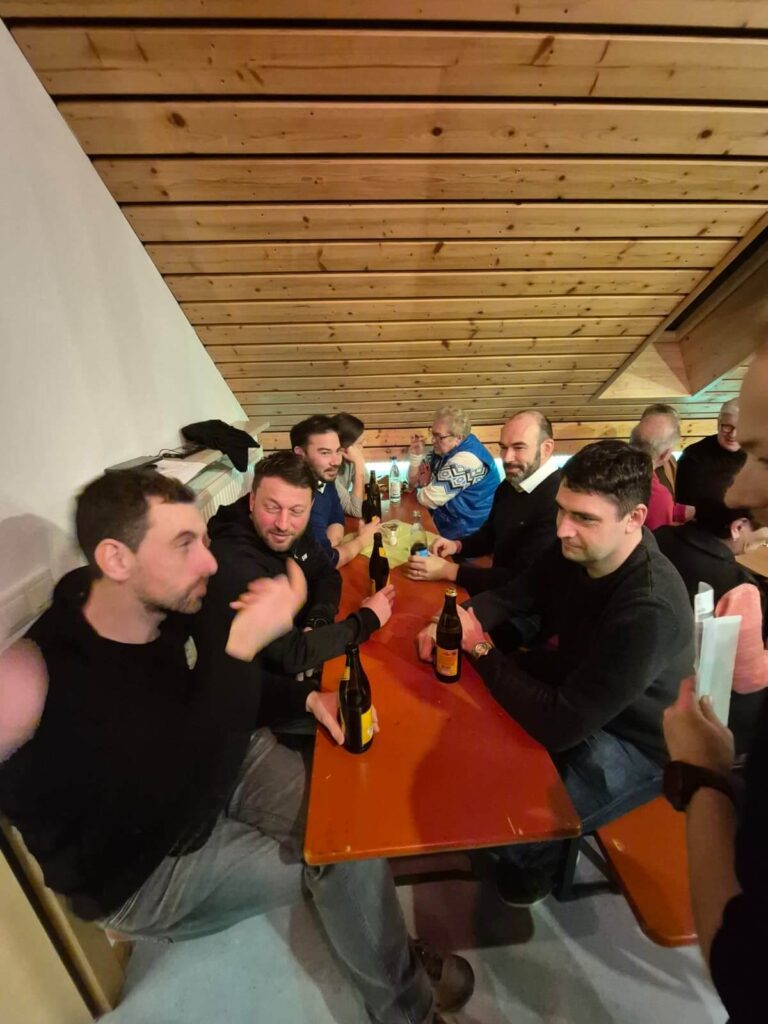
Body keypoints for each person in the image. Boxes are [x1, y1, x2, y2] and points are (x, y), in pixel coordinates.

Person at [0, 470, 472, 1024]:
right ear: (116, 559)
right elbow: (193, 817)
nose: (209, 562)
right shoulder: (39, 683)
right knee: (335, 861)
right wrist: (243, 649)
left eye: (204, 539)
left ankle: (387, 953)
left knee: (349, 830)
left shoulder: (152, 603)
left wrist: (303, 699)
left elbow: (212, 701)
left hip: (208, 757)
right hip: (144, 867)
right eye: (184, 545)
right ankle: (408, 1007)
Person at [417, 440, 694, 906]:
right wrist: (455, 619)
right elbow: (514, 594)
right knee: (471, 722)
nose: (563, 528)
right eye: (562, 510)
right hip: (579, 685)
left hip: (638, 740)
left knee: (514, 820)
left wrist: (479, 646)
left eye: (584, 518)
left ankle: (532, 867)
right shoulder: (574, 550)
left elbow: (560, 724)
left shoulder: (649, 607)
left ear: (635, 518)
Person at [663, 346, 768, 1024]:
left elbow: (742, 967)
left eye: (764, 457)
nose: (742, 490)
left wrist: (702, 777)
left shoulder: (670, 545)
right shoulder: (744, 584)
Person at [196, 451, 395, 731]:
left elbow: (326, 574)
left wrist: (318, 620)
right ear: (252, 500)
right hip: (257, 699)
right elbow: (291, 655)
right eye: (272, 507)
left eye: (296, 511)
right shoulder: (234, 562)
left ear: (310, 506)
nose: (283, 523)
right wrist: (367, 620)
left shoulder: (294, 529)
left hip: (298, 663)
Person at [405, 410, 560, 596]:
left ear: (547, 448)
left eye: (519, 447)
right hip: (500, 588)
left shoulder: (559, 501)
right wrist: (457, 546)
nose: (506, 458)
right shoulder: (510, 485)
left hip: (526, 603)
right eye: (503, 447)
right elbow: (490, 535)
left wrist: (449, 571)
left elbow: (522, 581)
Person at [656, 501, 768, 753]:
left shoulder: (661, 536)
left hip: (657, 673)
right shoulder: (739, 587)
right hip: (698, 702)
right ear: (738, 527)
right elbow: (748, 680)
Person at [290, 414, 378, 567]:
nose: (336, 461)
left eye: (338, 451)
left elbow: (336, 516)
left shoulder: (323, 477)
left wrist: (332, 545)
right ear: (300, 454)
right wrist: (362, 540)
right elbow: (325, 562)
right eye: (325, 453)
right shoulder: (300, 496)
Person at [407, 405, 498, 540]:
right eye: (432, 433)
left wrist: (425, 485)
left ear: (459, 438)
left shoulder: (467, 460)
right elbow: (413, 483)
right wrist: (416, 456)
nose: (433, 440)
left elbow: (428, 499)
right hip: (448, 523)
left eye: (439, 436)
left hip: (469, 535)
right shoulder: (444, 449)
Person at [675, 398, 746, 511]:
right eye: (727, 427)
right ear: (718, 423)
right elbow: (683, 505)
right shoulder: (693, 456)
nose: (733, 435)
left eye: (741, 428)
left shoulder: (758, 453)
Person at [629, 404, 694, 528]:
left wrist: (683, 512)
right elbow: (659, 536)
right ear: (665, 454)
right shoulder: (657, 495)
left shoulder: (609, 465)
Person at [330, 411, 366, 518]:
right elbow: (356, 510)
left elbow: (368, 488)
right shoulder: (328, 470)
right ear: (343, 448)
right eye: (360, 443)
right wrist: (359, 463)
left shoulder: (349, 460)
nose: (365, 444)